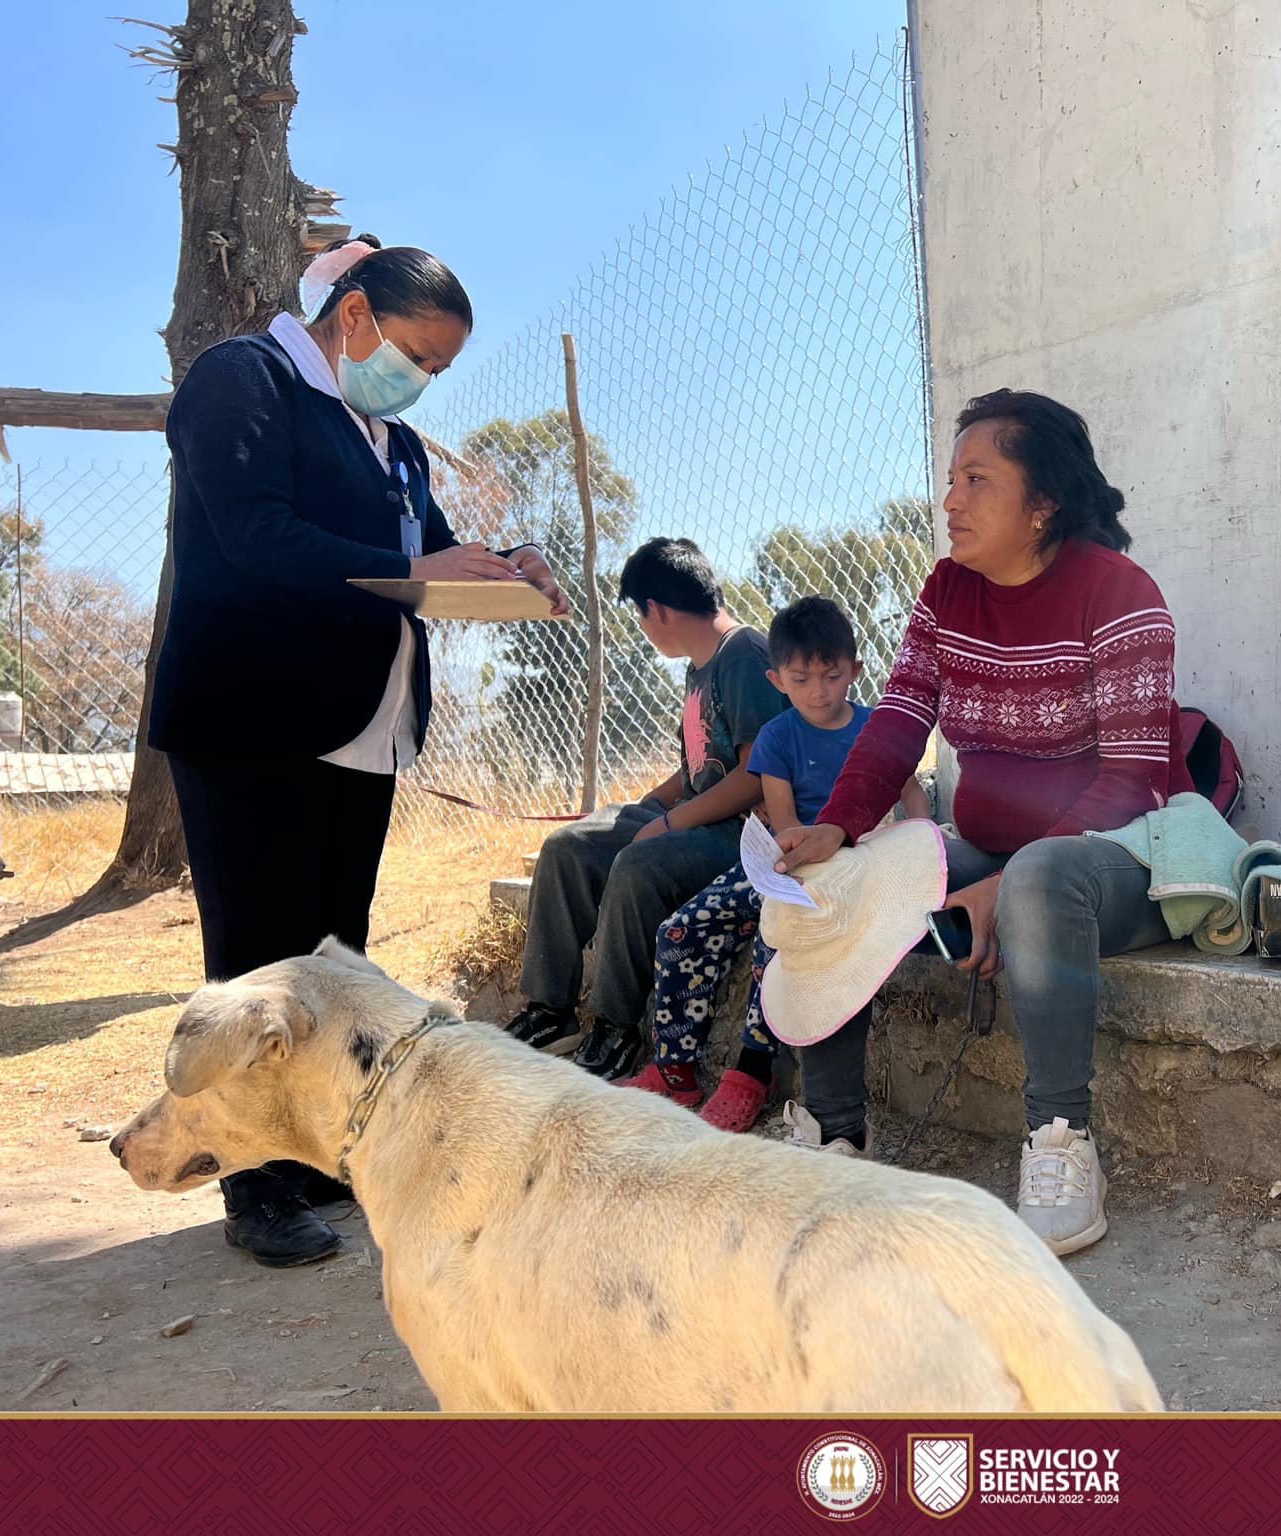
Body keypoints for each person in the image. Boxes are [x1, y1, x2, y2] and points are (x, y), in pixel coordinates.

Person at [153, 234, 569, 1267]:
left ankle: (306, 1159)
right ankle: (250, 1184)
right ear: (354, 317)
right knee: (255, 961)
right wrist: (411, 560)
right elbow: (252, 535)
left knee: (331, 956)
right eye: (417, 356)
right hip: (253, 716)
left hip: (361, 725)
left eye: (436, 371)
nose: (421, 381)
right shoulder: (243, 379)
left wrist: (505, 567)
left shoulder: (391, 440)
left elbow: (425, 553)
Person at [775, 389, 1193, 1256]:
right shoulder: (947, 590)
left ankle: (1061, 1141)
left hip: (1118, 863)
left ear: (1043, 503)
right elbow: (896, 718)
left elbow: (1134, 779)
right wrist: (839, 828)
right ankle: (836, 1132)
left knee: (1040, 878)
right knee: (843, 873)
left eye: (977, 479)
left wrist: (1007, 882)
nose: (950, 501)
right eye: (950, 479)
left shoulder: (1119, 594)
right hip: (1002, 856)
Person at [618, 595, 932, 1131]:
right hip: (788, 864)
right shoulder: (777, 737)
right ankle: (674, 1069)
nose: (818, 691)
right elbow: (785, 826)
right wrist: (790, 851)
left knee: (777, 936)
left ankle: (751, 1072)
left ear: (854, 671)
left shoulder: (876, 728)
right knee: (680, 930)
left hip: (854, 865)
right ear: (777, 678)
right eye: (801, 678)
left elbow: (910, 793)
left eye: (831, 676)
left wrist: (924, 839)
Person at [506, 538, 787, 1079]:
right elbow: (702, 768)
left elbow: (754, 776)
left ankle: (616, 1028)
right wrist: (644, 810)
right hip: (699, 817)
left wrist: (668, 823)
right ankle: (550, 1010)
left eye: (639, 614)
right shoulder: (698, 666)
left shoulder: (744, 653)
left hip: (744, 833)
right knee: (570, 847)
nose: (642, 624)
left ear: (654, 609)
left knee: (637, 865)